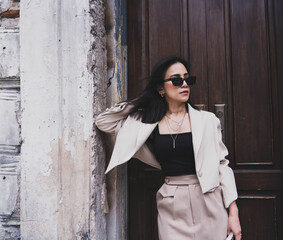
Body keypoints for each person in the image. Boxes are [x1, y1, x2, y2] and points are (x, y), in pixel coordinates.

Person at [95, 56, 242, 240]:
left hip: (209, 199)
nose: (184, 84)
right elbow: (104, 122)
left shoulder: (207, 120)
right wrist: (142, 101)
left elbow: (222, 164)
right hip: (172, 202)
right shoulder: (146, 122)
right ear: (161, 88)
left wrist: (233, 213)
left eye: (188, 79)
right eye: (176, 80)